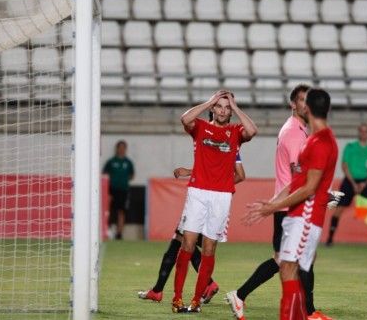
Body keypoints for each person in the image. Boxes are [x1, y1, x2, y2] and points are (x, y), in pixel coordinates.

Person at [226, 84, 335, 320]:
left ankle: (304, 310)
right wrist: (276, 205)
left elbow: (307, 178)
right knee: (289, 261)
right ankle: (305, 311)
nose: (306, 105)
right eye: (302, 100)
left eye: (309, 101)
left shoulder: (302, 130)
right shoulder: (295, 133)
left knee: (292, 261)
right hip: (290, 205)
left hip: (290, 202)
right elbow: (302, 180)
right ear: (293, 104)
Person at [172, 90, 257, 313]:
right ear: (212, 108)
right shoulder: (200, 127)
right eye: (219, 106)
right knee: (188, 244)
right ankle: (177, 298)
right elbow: (184, 119)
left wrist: (236, 107)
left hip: (221, 197)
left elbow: (253, 130)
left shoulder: (235, 132)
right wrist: (209, 100)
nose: (223, 110)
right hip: (198, 193)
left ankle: (196, 301)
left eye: (226, 108)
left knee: (209, 249)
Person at [137, 153, 245, 303]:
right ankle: (160, 290)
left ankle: (202, 286)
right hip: (213, 202)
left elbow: (232, 174)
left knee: (184, 243)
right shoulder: (231, 143)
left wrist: (193, 174)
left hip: (201, 202)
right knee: (182, 243)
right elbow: (234, 174)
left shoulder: (218, 141)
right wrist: (219, 186)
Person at [103, 140, 134, 240]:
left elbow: (131, 175)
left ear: (125, 149)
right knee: (110, 210)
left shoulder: (128, 162)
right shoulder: (111, 162)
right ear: (117, 149)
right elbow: (105, 174)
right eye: (119, 147)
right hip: (112, 190)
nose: (121, 150)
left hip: (123, 190)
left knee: (122, 211)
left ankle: (119, 234)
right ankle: (107, 231)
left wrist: (123, 180)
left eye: (123, 148)